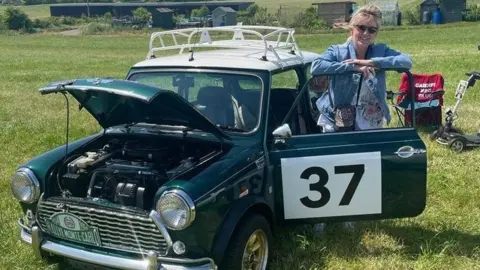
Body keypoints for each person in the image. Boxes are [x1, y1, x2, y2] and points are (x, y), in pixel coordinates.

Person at [311, 3, 412, 133]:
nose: (366, 33)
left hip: (370, 119)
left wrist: (369, 62)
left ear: (376, 33)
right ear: (351, 29)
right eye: (361, 28)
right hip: (338, 119)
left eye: (372, 30)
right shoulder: (337, 51)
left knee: (370, 153)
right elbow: (316, 66)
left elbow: (406, 61)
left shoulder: (381, 50)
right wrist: (353, 67)